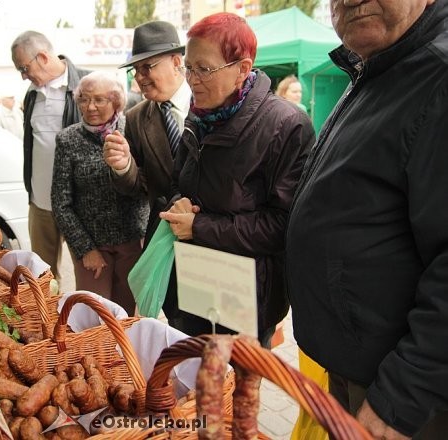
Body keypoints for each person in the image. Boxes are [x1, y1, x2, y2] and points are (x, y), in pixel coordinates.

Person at [286, 1, 447, 439]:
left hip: (401, 397)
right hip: (356, 370)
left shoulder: (437, 74)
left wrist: (400, 399)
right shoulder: (381, 68)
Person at [159, 13, 314, 346]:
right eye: (188, 67)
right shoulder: (199, 111)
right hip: (193, 280)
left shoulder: (286, 125)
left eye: (204, 69)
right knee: (191, 383)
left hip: (245, 295)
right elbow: (177, 182)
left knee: (234, 392)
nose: (191, 79)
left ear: (243, 69)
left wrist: (199, 227)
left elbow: (282, 225)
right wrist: (178, 204)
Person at [51, 71, 148, 312]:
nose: (90, 106)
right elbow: (60, 203)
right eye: (84, 99)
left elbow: (146, 184)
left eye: (99, 100)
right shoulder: (67, 139)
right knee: (95, 315)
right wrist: (85, 249)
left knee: (126, 315)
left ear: (116, 101)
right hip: (92, 246)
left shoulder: (133, 131)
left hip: (132, 243)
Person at [103, 20, 192, 245]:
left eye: (147, 67)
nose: (139, 78)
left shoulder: (209, 103)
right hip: (165, 236)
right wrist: (123, 166)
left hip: (214, 235)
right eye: (136, 70)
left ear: (176, 62)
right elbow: (137, 188)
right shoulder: (135, 118)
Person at [11, 31, 91, 281]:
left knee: (88, 275)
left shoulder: (87, 84)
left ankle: (84, 320)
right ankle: (45, 321)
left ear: (43, 57)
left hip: (79, 205)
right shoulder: (32, 94)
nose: (24, 76)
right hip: (40, 205)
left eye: (24, 68)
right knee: (42, 279)